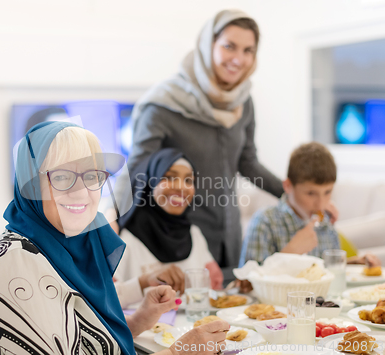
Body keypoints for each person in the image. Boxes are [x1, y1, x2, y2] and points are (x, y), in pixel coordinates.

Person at [0, 121, 229, 355]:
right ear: (30, 184)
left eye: (91, 176)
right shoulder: (13, 261)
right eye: (61, 176)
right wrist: (179, 350)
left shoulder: (79, 241)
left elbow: (83, 343)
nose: (81, 191)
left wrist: (137, 321)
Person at [110, 9, 286, 284]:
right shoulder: (164, 104)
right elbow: (136, 168)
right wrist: (111, 221)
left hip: (229, 234)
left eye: (248, 50)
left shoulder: (243, 102)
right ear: (208, 46)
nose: (238, 59)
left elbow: (247, 162)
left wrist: (293, 195)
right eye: (229, 46)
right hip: (183, 240)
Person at [239, 142, 380, 267]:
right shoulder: (264, 223)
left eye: (327, 192)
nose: (320, 204)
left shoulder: (325, 223)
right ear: (288, 186)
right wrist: (290, 253)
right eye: (311, 193)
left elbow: (325, 272)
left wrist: (353, 264)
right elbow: (247, 284)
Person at [115, 148, 224, 298]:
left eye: (188, 180)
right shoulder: (124, 240)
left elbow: (214, 291)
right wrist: (144, 281)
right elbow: (102, 299)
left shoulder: (193, 234)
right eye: (169, 177)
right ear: (149, 184)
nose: (180, 187)